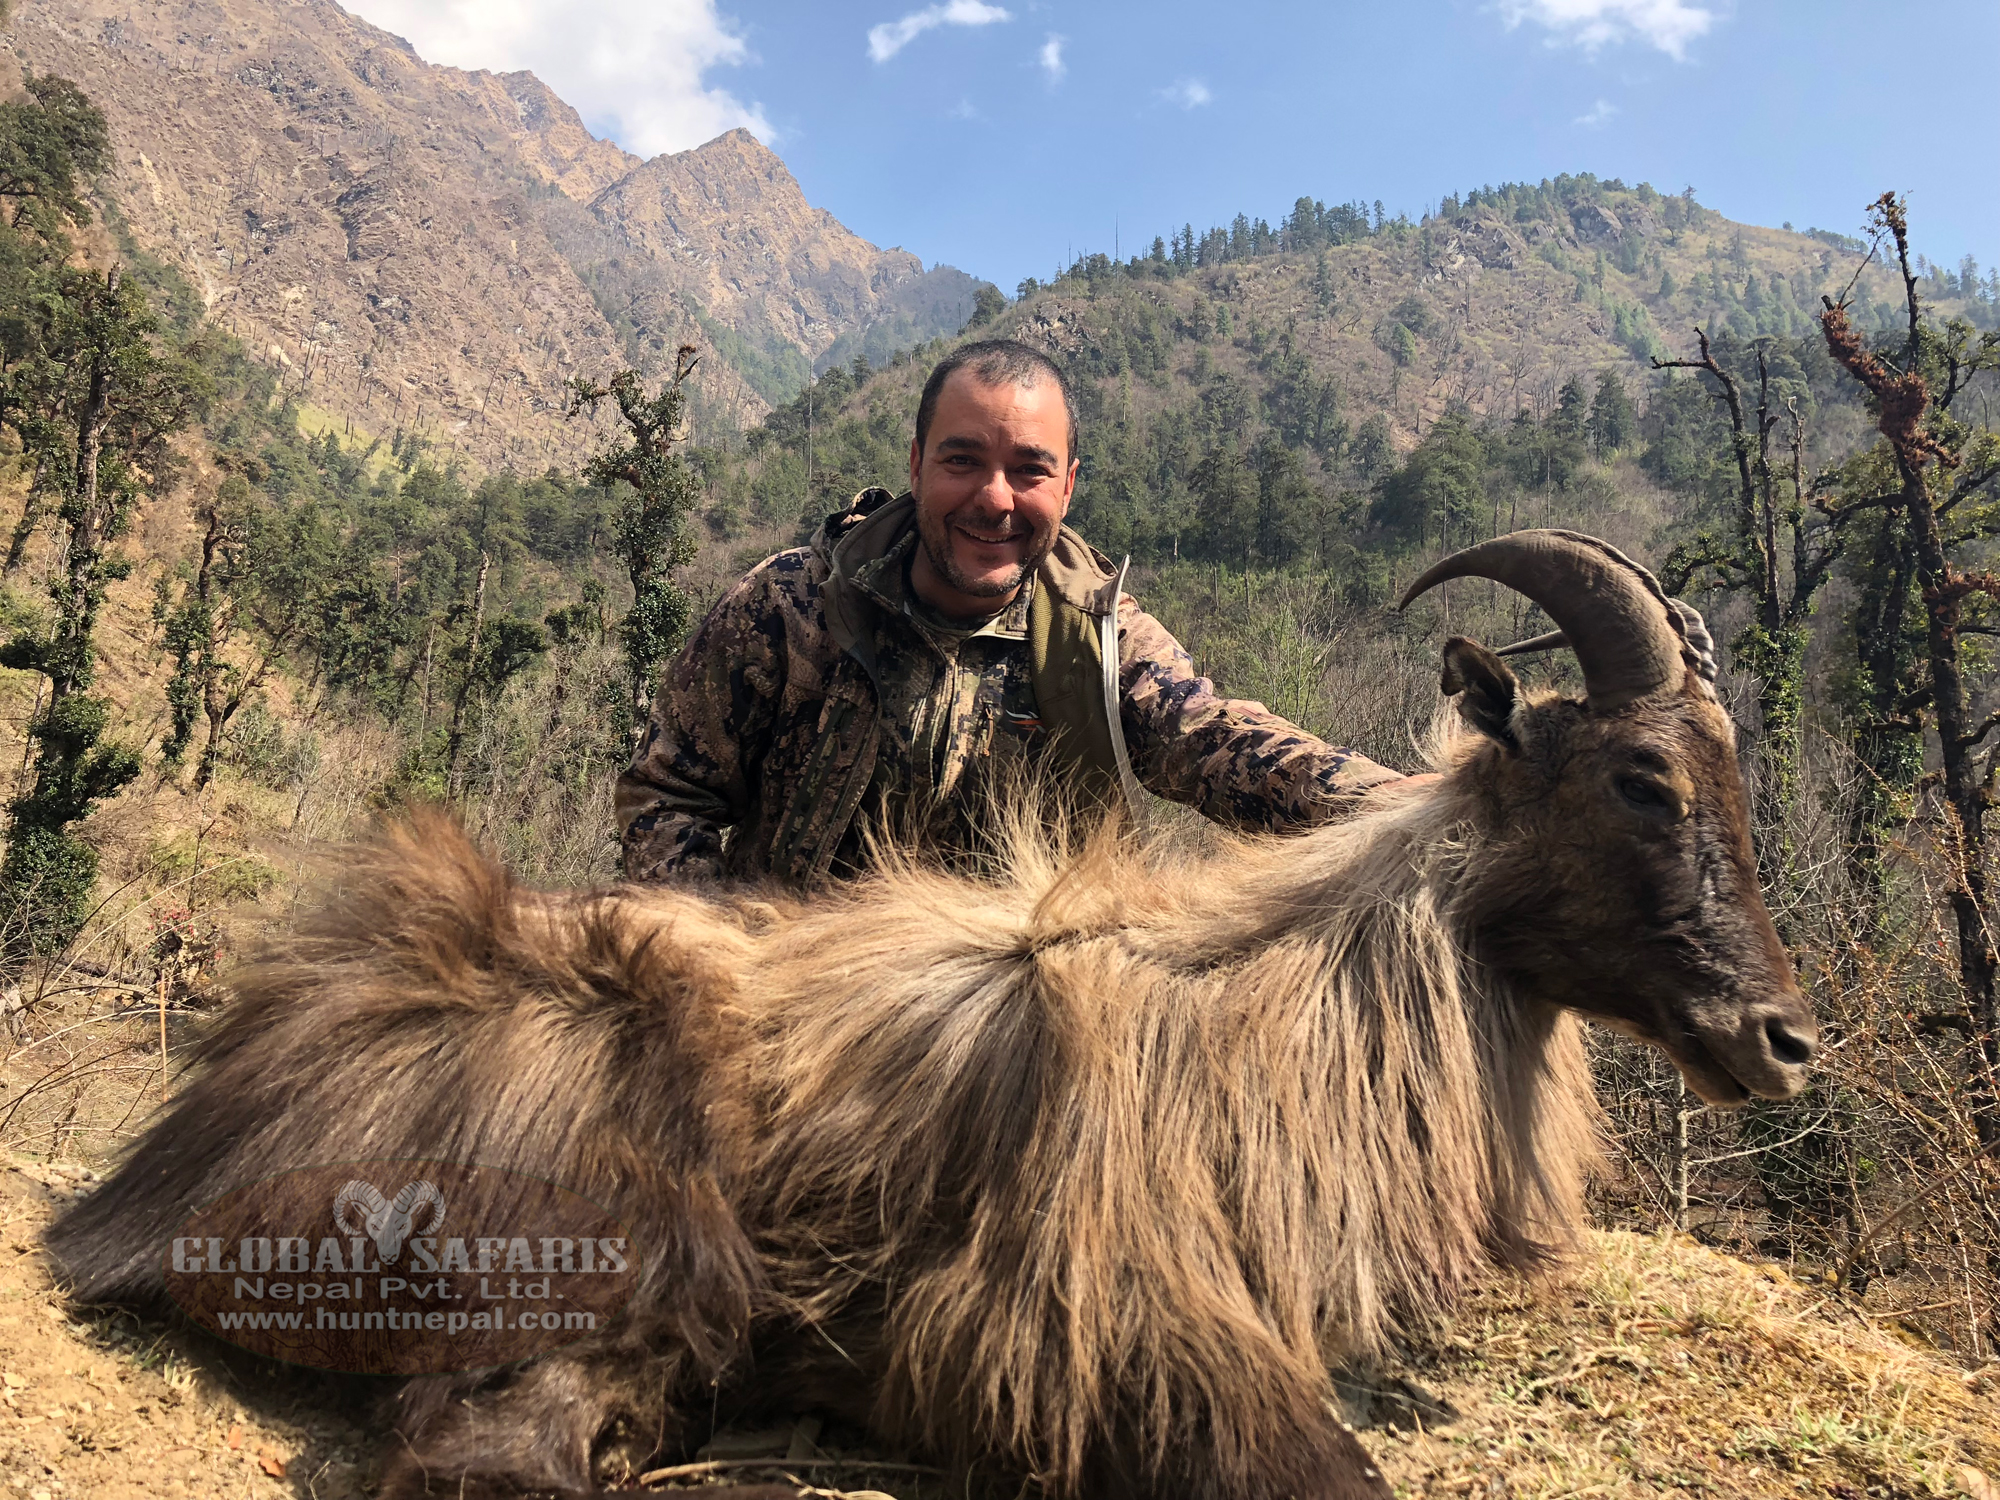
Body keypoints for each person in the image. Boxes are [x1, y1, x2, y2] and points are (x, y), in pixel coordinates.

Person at [616, 339, 1409, 885]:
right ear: (919, 465)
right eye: (963, 461)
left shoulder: (1095, 634)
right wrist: (719, 967)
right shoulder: (789, 607)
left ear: (1066, 488)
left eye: (1029, 471)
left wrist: (1399, 806)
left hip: (1006, 1042)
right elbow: (667, 795)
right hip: (794, 1020)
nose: (995, 499)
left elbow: (1210, 742)